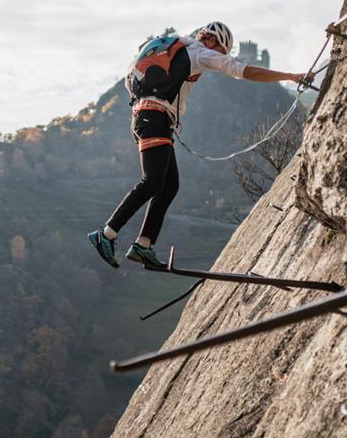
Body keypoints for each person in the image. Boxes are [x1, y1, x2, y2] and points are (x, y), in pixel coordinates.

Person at [88, 22, 311, 270]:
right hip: (154, 118)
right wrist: (292, 76)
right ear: (214, 42)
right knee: (152, 181)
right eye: (222, 53)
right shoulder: (201, 53)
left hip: (148, 116)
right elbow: (245, 71)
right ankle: (106, 233)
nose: (219, 59)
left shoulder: (177, 43)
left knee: (169, 185)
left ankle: (143, 244)